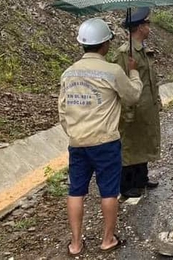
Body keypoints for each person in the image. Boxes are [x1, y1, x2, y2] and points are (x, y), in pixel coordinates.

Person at [58, 18, 142, 256]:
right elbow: (132, 96)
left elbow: (62, 110)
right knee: (108, 191)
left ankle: (75, 245)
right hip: (105, 142)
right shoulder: (112, 71)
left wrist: (73, 132)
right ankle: (107, 240)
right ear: (105, 44)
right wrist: (134, 73)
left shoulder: (68, 73)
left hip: (77, 143)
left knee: (76, 191)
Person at [116, 7, 163, 198]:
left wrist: (156, 100)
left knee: (143, 142)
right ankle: (127, 186)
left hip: (146, 107)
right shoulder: (125, 53)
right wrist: (126, 111)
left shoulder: (143, 50)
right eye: (147, 23)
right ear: (139, 27)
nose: (149, 27)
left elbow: (151, 79)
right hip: (133, 108)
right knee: (130, 146)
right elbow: (120, 82)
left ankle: (142, 179)